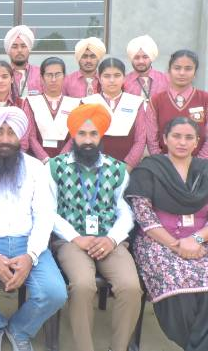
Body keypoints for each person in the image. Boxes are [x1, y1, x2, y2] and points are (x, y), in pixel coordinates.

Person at [0, 107, 67, 351]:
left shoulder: (36, 167)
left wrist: (31, 255)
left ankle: (19, 329)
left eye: (11, 133)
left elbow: (44, 215)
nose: (5, 139)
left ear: (20, 136)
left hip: (28, 241)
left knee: (55, 293)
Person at [125, 117, 208, 351]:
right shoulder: (148, 170)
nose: (182, 142)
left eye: (188, 137)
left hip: (202, 240)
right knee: (176, 280)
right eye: (176, 136)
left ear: (197, 142)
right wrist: (176, 245)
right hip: (157, 241)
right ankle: (199, 345)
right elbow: (144, 216)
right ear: (165, 139)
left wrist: (196, 239)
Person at [48, 103, 142, 351]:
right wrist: (75, 237)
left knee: (131, 288)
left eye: (93, 134)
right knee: (82, 286)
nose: (88, 140)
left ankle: (118, 347)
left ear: (101, 136)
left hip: (109, 240)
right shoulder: (55, 167)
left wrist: (112, 239)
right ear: (73, 135)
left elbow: (125, 211)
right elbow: (48, 211)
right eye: (82, 134)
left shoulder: (117, 169)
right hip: (71, 242)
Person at [146, 50, 208, 160]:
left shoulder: (207, 100)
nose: (182, 73)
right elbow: (152, 141)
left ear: (195, 73)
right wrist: (163, 163)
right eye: (177, 68)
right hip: (163, 165)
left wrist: (197, 164)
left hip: (199, 164)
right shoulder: (155, 101)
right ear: (169, 71)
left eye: (188, 69)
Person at [81, 58, 147, 171]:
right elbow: (80, 137)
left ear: (124, 78)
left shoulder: (136, 103)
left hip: (128, 167)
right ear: (99, 78)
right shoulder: (87, 103)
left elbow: (140, 140)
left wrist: (127, 167)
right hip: (93, 167)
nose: (112, 80)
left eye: (117, 75)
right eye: (107, 76)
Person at [23, 57, 81, 161]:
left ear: (64, 77)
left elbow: (74, 135)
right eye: (49, 75)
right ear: (41, 78)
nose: (53, 79)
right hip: (37, 160)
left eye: (57, 74)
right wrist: (44, 159)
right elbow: (31, 136)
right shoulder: (31, 102)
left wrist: (61, 159)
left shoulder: (75, 104)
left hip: (66, 160)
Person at [123, 35, 169, 106]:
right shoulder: (124, 81)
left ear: (151, 58)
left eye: (145, 57)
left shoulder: (165, 80)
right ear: (131, 59)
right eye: (136, 57)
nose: (141, 61)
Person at [3, 25, 42, 98]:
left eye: (23, 46)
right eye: (14, 47)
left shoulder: (41, 74)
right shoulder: (1, 75)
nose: (19, 50)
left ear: (29, 49)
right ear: (8, 50)